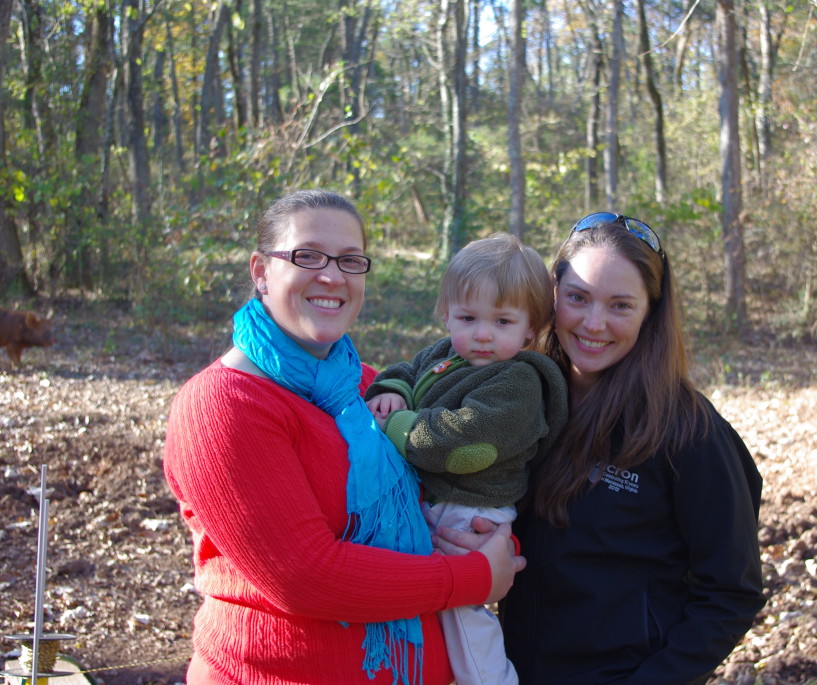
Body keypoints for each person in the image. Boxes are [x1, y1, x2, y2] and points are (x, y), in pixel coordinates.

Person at [162, 189, 524, 685]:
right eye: (307, 255)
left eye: (351, 261)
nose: (332, 276)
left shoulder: (367, 390)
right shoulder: (223, 405)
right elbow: (304, 577)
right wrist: (475, 578)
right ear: (260, 270)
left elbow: (446, 495)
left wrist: (485, 539)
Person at [435, 213, 765, 685]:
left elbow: (732, 593)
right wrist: (483, 547)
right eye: (578, 298)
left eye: (620, 306)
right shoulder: (521, 401)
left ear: (650, 311)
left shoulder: (689, 432)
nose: (594, 323)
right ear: (552, 297)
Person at [365, 232, 569, 685]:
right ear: (446, 315)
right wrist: (392, 392)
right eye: (467, 317)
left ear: (530, 328)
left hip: (470, 507)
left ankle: (491, 679)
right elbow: (403, 371)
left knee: (463, 613)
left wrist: (397, 428)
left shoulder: (519, 382)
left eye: (502, 321)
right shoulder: (445, 354)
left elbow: (466, 445)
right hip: (434, 495)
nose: (481, 333)